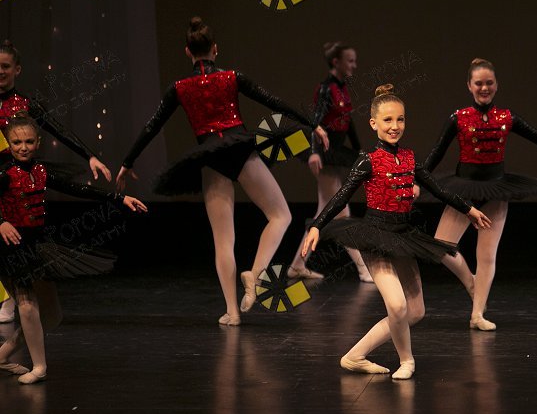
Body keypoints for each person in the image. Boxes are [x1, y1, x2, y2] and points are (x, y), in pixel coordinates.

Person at [116, 17, 329, 326]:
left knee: (223, 241)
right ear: (215, 49)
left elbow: (152, 126)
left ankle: (232, 311)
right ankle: (255, 273)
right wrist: (313, 124)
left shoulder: (179, 88)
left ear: (187, 52)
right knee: (281, 215)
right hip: (240, 150)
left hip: (211, 159)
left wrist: (127, 162)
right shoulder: (232, 77)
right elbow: (273, 101)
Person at [302, 84, 491, 379]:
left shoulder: (409, 158)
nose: (394, 126)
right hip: (375, 237)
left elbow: (437, 189)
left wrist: (468, 209)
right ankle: (407, 361)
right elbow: (341, 196)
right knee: (397, 305)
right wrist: (317, 225)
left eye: (400, 119)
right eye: (388, 120)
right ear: (373, 123)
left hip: (402, 236)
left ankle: (354, 355)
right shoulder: (368, 160)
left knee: (416, 311)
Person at [423, 58, 537, 331]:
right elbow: (436, 153)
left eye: (489, 83)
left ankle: (477, 314)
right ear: (469, 85)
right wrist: (415, 180)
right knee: (440, 247)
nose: (484, 88)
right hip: (464, 190)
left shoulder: (507, 117)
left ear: (497, 85)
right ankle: (471, 282)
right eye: (478, 83)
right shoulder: (458, 118)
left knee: (487, 256)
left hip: (495, 190)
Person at [0, 113, 146, 384]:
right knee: (27, 306)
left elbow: (76, 189)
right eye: (17, 142)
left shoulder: (41, 171)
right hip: (11, 247)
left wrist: (119, 198)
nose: (23, 147)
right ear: (8, 143)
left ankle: (2, 355)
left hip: (37, 245)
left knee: (52, 315)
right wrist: (1, 222)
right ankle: (39, 367)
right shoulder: (4, 174)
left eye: (29, 141)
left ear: (38, 142)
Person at [0, 40, 112, 324]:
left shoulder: (25, 105)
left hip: (14, 177)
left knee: (15, 236)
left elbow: (58, 129)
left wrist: (89, 155)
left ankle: (12, 298)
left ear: (17, 69)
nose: (0, 71)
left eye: (5, 66)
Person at [287, 42, 371, 282]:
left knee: (330, 211)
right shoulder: (326, 89)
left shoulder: (342, 89)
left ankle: (297, 265)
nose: (354, 65)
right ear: (336, 62)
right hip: (324, 151)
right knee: (338, 213)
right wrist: (315, 152)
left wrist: (359, 150)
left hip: (335, 151)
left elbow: (349, 122)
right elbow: (315, 121)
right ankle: (363, 268)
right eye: (350, 61)